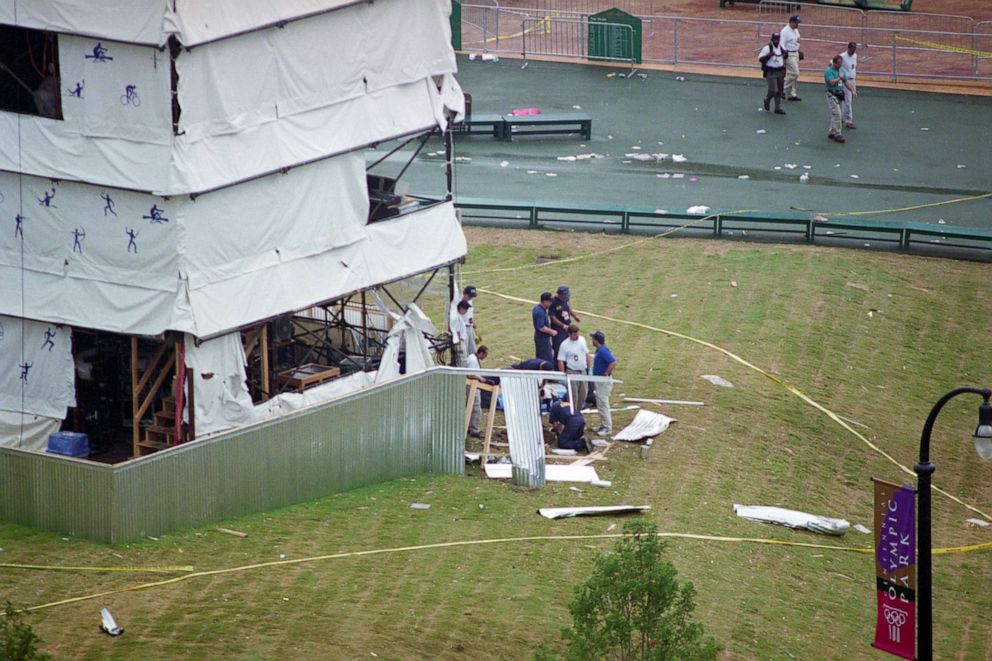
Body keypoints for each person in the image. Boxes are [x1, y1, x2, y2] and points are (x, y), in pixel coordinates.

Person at [590, 331, 617, 437]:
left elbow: (613, 362)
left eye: (593, 339)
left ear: (596, 340)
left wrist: (606, 373)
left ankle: (607, 428)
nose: (591, 341)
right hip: (600, 380)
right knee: (600, 403)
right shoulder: (600, 350)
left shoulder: (603, 351)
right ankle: (603, 425)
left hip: (603, 381)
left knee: (603, 403)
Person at [824, 55, 857, 144]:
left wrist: (852, 91)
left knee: (835, 114)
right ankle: (837, 133)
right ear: (834, 63)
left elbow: (846, 82)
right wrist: (839, 77)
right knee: (838, 114)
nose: (841, 65)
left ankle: (831, 131)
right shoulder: (828, 71)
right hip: (831, 94)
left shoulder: (841, 70)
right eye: (839, 63)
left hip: (839, 94)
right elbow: (831, 82)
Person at [557, 325, 591, 410]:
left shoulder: (582, 340)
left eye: (578, 334)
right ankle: (573, 411)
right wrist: (563, 375)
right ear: (569, 334)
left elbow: (587, 354)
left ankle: (578, 411)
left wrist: (588, 368)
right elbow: (561, 360)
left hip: (582, 371)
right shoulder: (564, 345)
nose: (577, 336)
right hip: (572, 371)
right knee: (573, 395)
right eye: (575, 335)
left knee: (583, 394)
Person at [758, 32, 788, 115]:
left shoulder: (781, 47)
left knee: (780, 90)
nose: (777, 41)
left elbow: (785, 56)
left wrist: (786, 54)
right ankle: (767, 99)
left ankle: (777, 107)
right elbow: (760, 59)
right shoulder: (767, 48)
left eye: (778, 39)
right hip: (771, 71)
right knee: (774, 90)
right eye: (775, 39)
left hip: (780, 71)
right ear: (772, 39)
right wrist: (768, 55)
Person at [464, 345, 489, 439]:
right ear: (481, 353)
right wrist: (480, 378)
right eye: (485, 355)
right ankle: (475, 430)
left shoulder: (472, 357)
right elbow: (470, 374)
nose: (485, 357)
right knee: (476, 408)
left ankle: (470, 427)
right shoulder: (473, 360)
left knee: (470, 407)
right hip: (472, 386)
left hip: (470, 385)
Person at [549, 285, 580, 358]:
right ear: (559, 294)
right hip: (558, 329)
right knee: (559, 348)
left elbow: (568, 308)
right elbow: (552, 317)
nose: (565, 297)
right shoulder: (553, 303)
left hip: (567, 326)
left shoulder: (565, 299)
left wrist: (574, 316)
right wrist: (563, 325)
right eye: (563, 295)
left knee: (569, 344)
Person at [781, 15, 802, 101]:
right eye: (796, 23)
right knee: (795, 73)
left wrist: (799, 51)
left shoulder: (795, 30)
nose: (798, 25)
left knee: (793, 75)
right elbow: (782, 44)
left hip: (795, 53)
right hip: (789, 54)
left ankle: (791, 94)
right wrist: (785, 53)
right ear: (791, 22)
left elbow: (797, 41)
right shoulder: (785, 31)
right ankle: (782, 89)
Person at [532, 292, 557, 362]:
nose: (551, 303)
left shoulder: (538, 308)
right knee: (546, 359)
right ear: (544, 301)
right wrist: (552, 331)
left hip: (541, 338)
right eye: (550, 301)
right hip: (542, 339)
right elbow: (541, 327)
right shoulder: (540, 312)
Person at [839, 42, 858, 129]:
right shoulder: (842, 56)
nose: (853, 51)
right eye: (851, 49)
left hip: (853, 80)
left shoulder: (855, 56)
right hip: (846, 80)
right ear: (848, 48)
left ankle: (841, 117)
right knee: (848, 100)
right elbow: (832, 63)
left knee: (847, 100)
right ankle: (849, 120)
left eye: (854, 49)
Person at [460, 285, 479, 358]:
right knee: (464, 350)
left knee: (472, 349)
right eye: (469, 296)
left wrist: (474, 326)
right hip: (463, 329)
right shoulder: (459, 303)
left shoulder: (470, 301)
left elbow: (470, 314)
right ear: (464, 294)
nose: (471, 298)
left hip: (469, 327)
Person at [452, 299, 471, 366]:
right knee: (463, 359)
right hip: (460, 341)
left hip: (461, 340)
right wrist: (459, 341)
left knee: (462, 359)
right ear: (461, 308)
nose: (466, 312)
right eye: (465, 310)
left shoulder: (458, 316)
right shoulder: (457, 317)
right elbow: (457, 330)